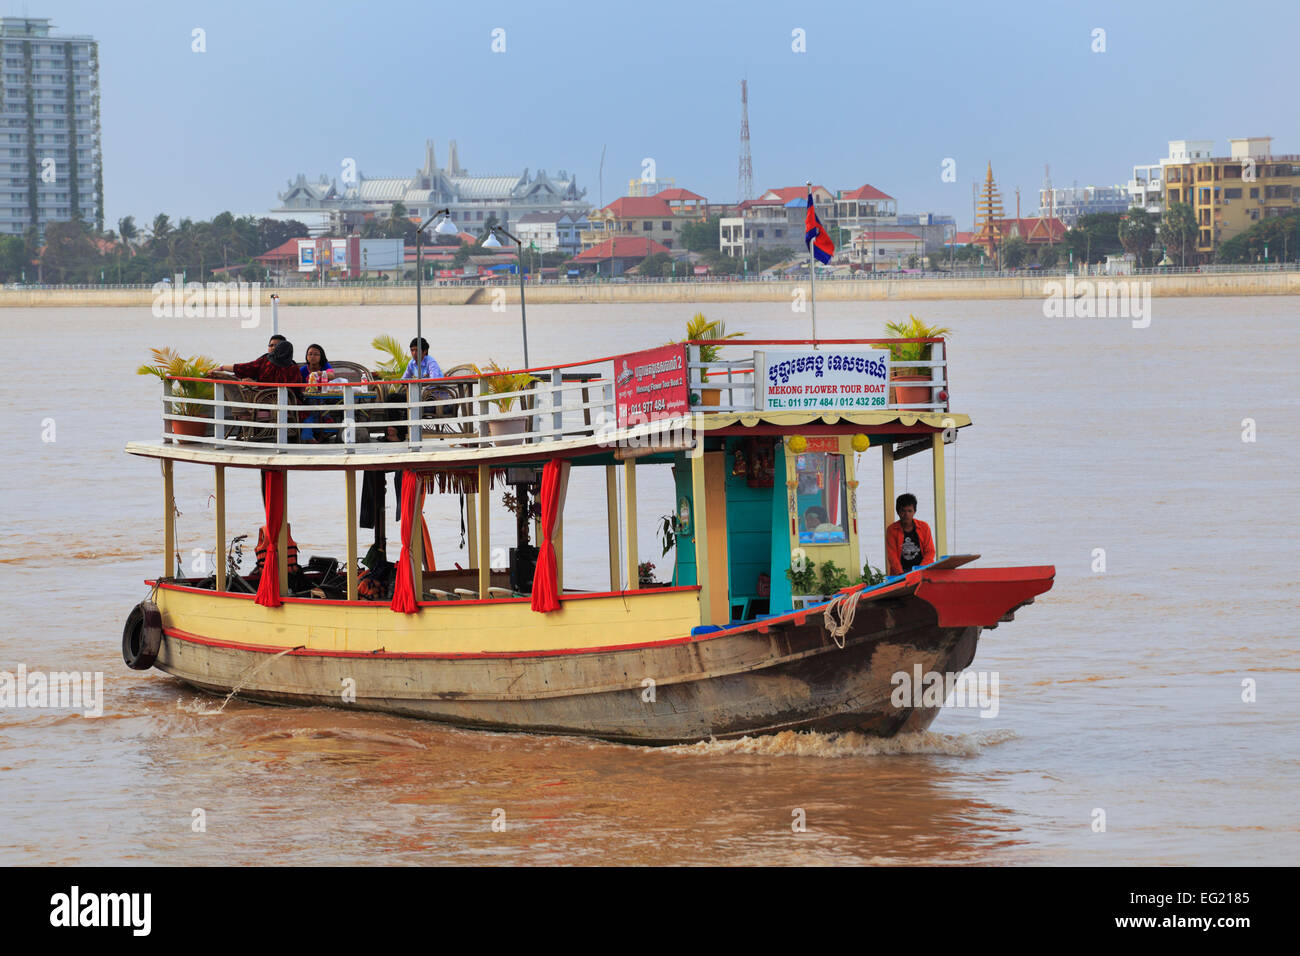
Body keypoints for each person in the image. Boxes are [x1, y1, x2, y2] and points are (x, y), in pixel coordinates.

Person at [885, 493, 936, 575]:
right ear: (897, 511)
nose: (906, 514)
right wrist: (901, 574)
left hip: (922, 570)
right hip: (900, 573)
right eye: (903, 511)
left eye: (909, 511)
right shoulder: (892, 530)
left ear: (914, 511)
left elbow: (930, 552)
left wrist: (919, 570)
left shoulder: (924, 527)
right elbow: (892, 556)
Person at [220, 338, 300, 385]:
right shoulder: (294, 368)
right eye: (271, 345)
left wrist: (222, 368)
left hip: (264, 400)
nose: (273, 348)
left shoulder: (266, 361)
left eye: (276, 346)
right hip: (290, 404)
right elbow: (298, 388)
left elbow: (244, 368)